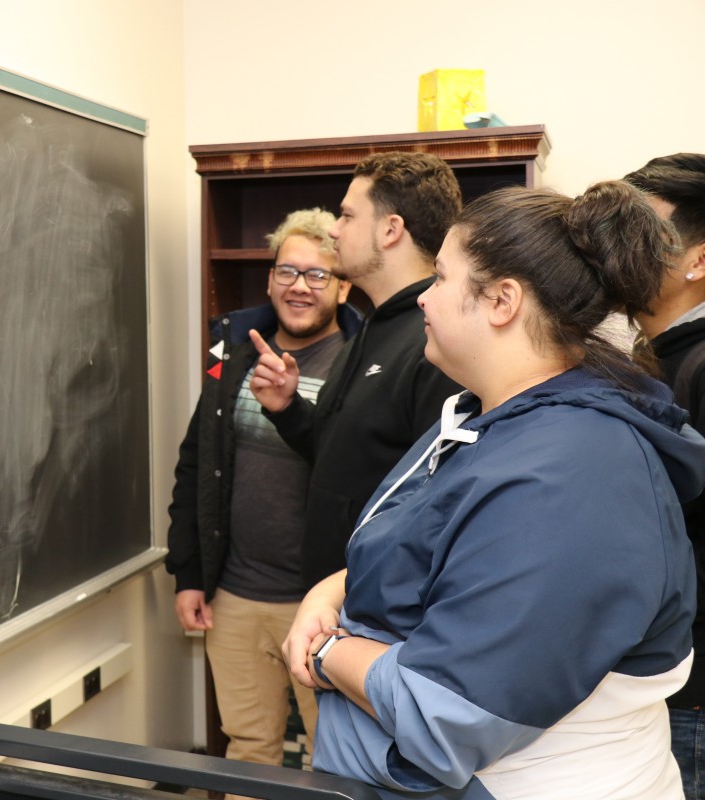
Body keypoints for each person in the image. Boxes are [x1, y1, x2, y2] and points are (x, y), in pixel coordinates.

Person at [280, 182, 705, 799]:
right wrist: (335, 587)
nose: (424, 297)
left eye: (441, 278)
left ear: (502, 300)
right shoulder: (487, 417)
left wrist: (330, 651)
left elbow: (447, 712)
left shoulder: (572, 473)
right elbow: (433, 542)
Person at [166, 209, 359, 768]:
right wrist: (190, 574)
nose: (300, 287)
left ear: (343, 285)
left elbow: (360, 474)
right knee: (248, 751)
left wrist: (294, 408)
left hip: (326, 605)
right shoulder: (233, 351)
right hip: (235, 597)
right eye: (287, 272)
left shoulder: (362, 362)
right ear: (270, 277)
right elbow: (196, 460)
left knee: (335, 758)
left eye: (318, 275)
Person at [250, 152, 463, 590]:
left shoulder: (436, 341)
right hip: (333, 603)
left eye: (347, 215)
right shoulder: (369, 327)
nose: (333, 228)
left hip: (378, 616)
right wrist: (288, 408)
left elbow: (438, 505)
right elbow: (346, 459)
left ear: (390, 230)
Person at [626, 153, 705, 799]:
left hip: (690, 687)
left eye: (643, 234)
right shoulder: (652, 357)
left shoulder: (699, 366)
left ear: (697, 261)